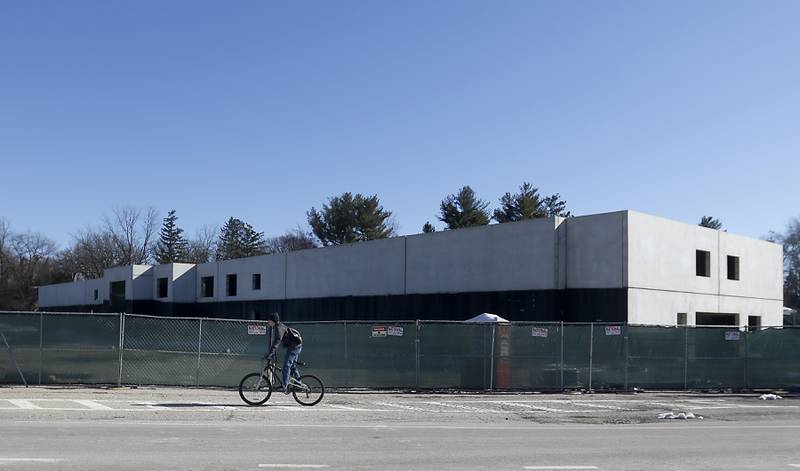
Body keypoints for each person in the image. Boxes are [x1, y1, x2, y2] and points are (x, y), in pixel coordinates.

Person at [264, 312, 302, 394]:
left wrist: (270, 354)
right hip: (295, 346)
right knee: (292, 366)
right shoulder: (279, 326)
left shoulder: (278, 328)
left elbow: (277, 341)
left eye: (269, 320)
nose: (268, 322)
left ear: (273, 321)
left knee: (286, 366)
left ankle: (285, 386)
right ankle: (299, 384)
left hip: (294, 347)